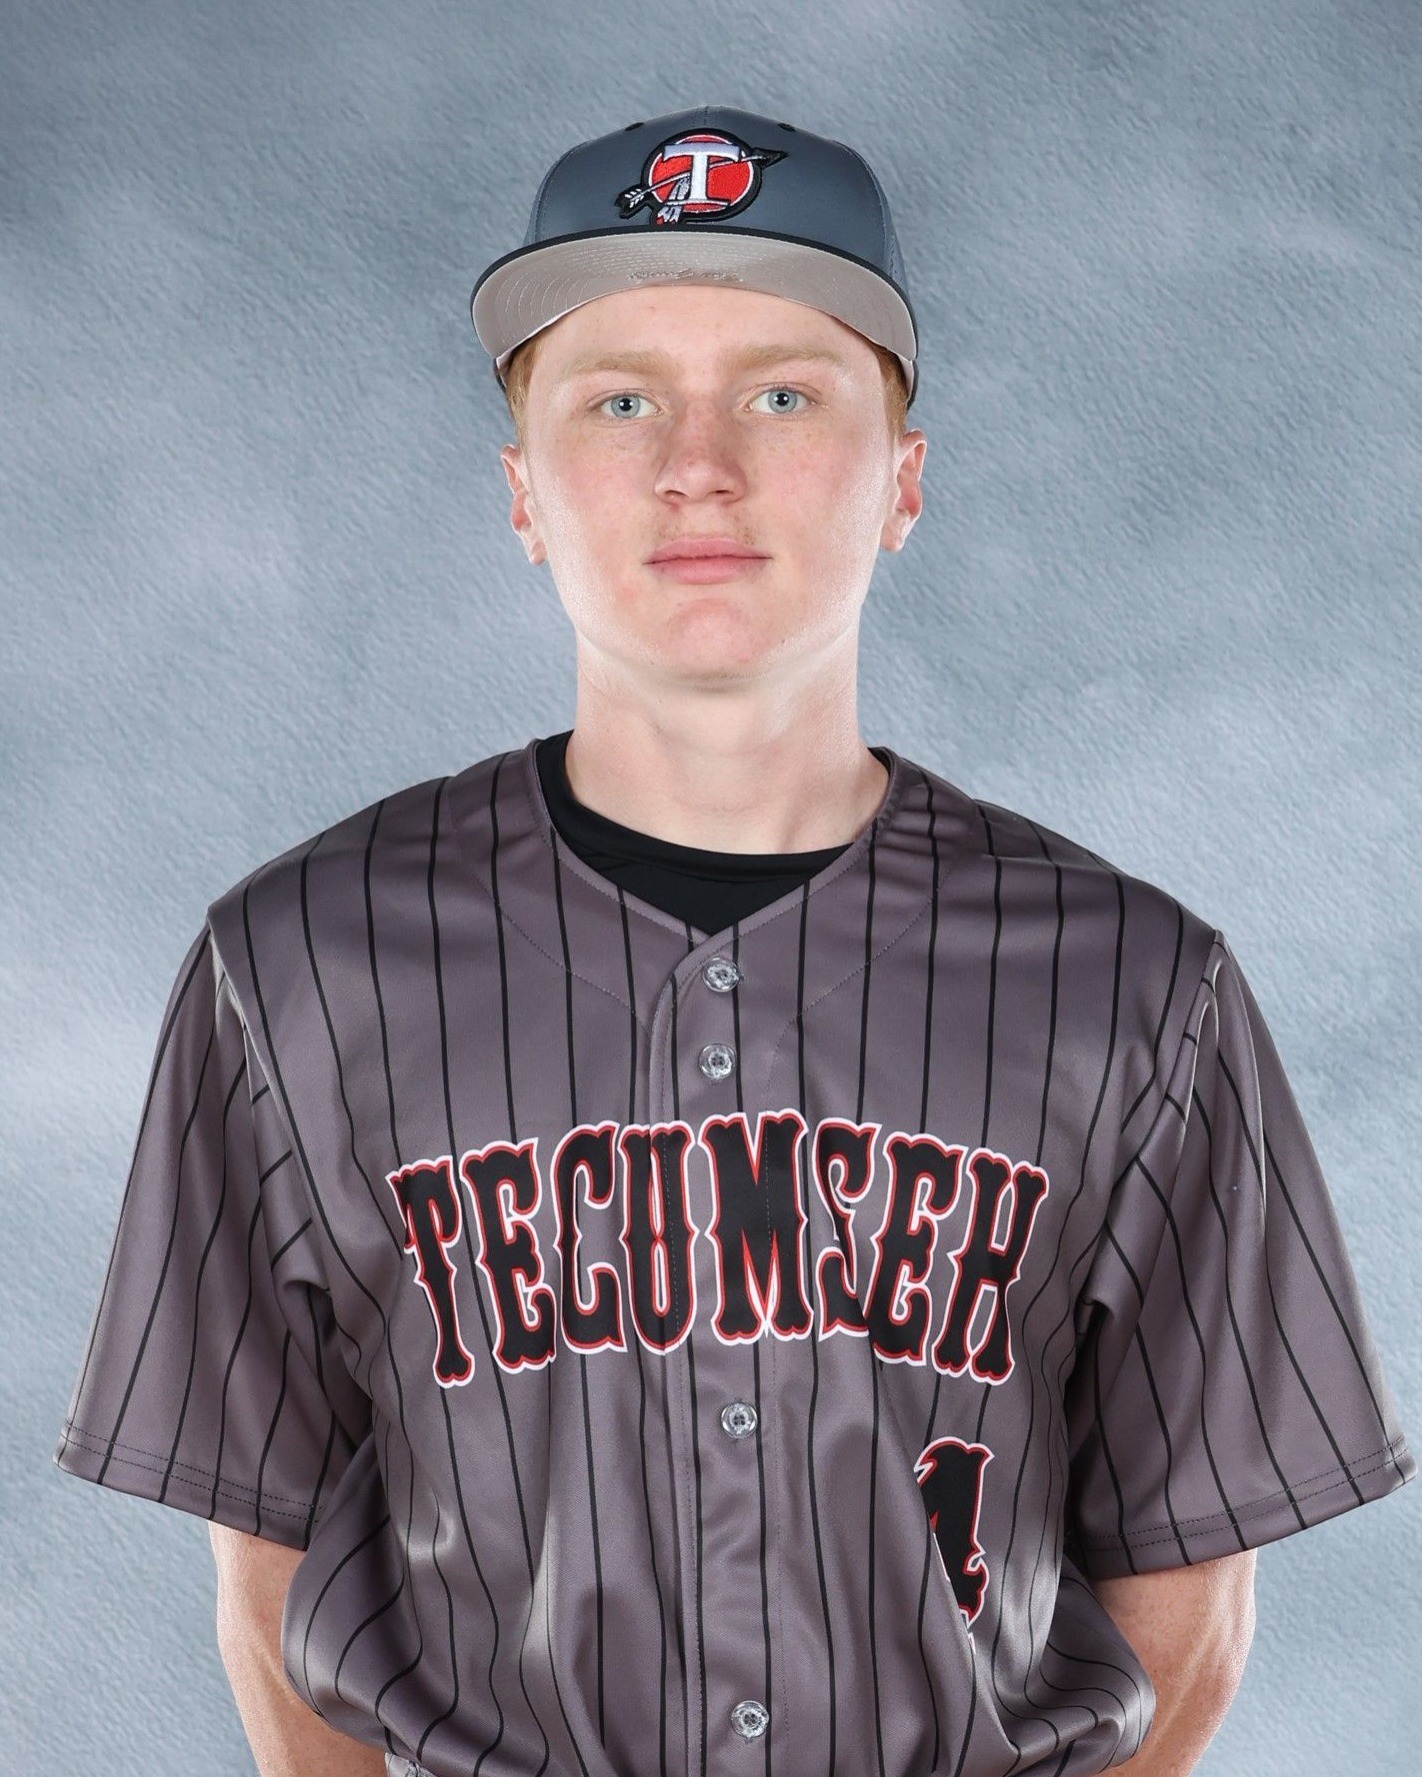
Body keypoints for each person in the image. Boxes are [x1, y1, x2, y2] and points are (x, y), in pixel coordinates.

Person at [54, 104, 1413, 1777]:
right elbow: (265, 1582)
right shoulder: (295, 966)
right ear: (523, 491)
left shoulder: (1134, 986)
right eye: (619, 400)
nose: (697, 464)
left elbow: (1187, 1603)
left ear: (903, 479)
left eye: (782, 394)